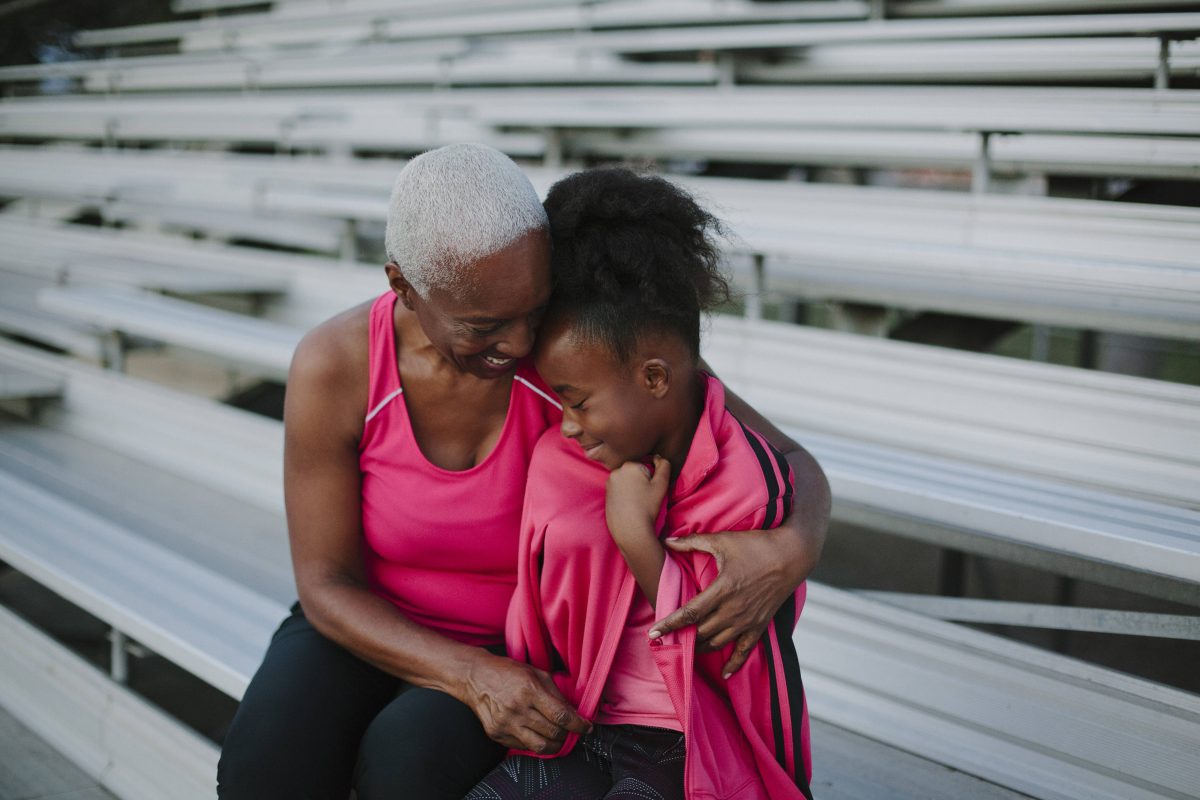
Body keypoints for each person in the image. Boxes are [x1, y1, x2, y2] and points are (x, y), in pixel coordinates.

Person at [216, 144, 829, 799]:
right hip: (367, 620)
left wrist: (792, 547)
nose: (516, 344)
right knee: (264, 770)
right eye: (484, 325)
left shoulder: (572, 355)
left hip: (519, 645)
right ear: (402, 285)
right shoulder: (337, 365)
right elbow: (324, 584)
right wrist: (466, 674)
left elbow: (791, 460)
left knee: (407, 764)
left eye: (532, 310)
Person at [466, 167, 812, 800]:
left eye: (575, 401)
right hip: (578, 716)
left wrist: (634, 537)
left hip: (690, 737)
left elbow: (726, 661)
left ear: (654, 379)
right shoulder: (563, 455)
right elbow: (536, 618)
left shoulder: (745, 485)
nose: (564, 424)